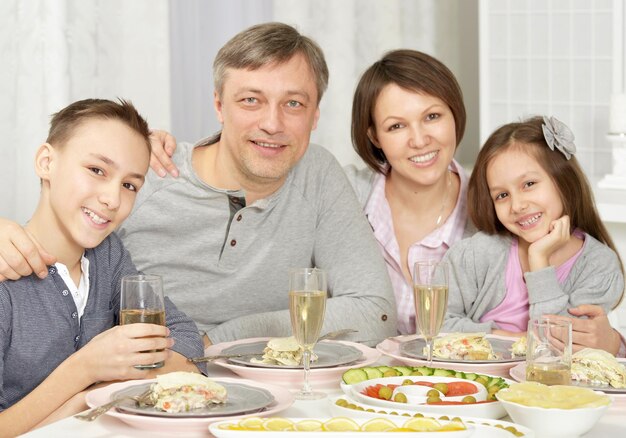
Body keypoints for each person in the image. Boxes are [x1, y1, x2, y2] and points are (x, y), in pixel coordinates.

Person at [0, 23, 397, 346]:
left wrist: (221, 340)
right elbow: (58, 234)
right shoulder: (146, 176)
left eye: (293, 103)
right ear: (219, 106)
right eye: (251, 100)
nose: (273, 124)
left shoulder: (317, 174)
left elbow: (374, 311)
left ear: (315, 115)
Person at [0, 99, 204, 436]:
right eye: (97, 170)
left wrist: (97, 386)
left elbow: (185, 337)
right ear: (46, 162)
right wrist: (85, 373)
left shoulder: (108, 257)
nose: (113, 199)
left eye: (129, 185)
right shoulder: (7, 278)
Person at [441, 116, 625, 347]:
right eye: (502, 195)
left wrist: (539, 261)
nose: (517, 205)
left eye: (528, 184)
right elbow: (435, 326)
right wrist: (509, 338)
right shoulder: (477, 254)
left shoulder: (598, 266)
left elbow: (560, 348)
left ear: (562, 180)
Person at [343, 49, 475, 335]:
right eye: (397, 126)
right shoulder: (345, 195)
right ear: (374, 136)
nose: (419, 140)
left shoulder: (495, 207)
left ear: (454, 113)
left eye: (432, 116)